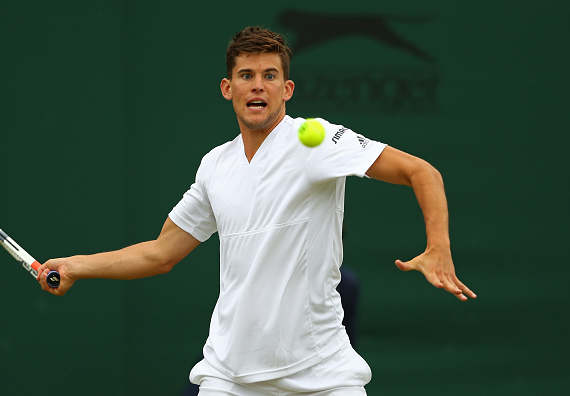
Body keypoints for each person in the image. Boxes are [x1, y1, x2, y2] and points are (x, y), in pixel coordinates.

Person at [38, 26, 476, 395]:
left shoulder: (319, 139)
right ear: (229, 89)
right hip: (229, 375)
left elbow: (422, 172)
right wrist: (77, 266)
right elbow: (160, 253)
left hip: (324, 373)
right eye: (246, 75)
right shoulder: (214, 166)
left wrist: (437, 247)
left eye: (270, 75)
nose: (258, 85)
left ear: (286, 89)